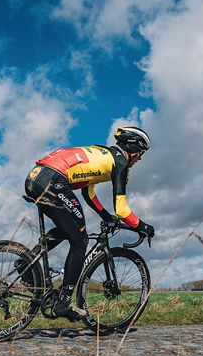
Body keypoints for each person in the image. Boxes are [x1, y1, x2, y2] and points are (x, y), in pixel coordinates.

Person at [22, 126, 155, 321]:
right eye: (141, 154)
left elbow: (88, 191)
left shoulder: (102, 154)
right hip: (53, 180)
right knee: (81, 240)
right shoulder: (120, 161)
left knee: (68, 229)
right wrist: (142, 226)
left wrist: (105, 215)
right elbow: (122, 209)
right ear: (134, 149)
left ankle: (25, 262)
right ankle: (64, 302)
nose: (140, 159)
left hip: (36, 177)